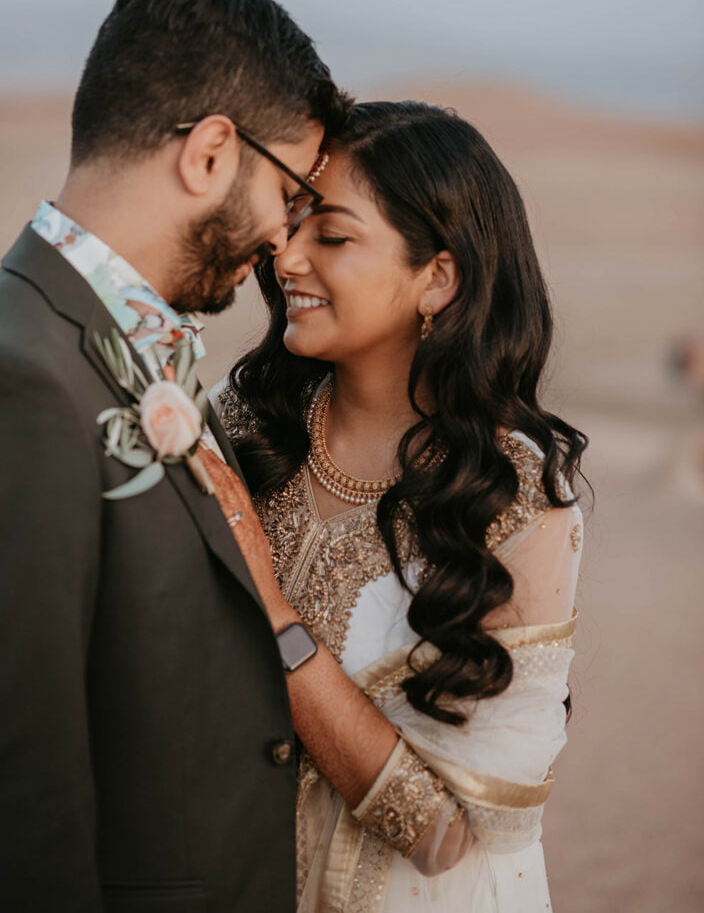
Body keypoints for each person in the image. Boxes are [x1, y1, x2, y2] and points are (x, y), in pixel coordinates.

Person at [0, 0, 350, 912]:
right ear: (209, 153)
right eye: (289, 195)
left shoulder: (126, 344)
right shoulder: (12, 377)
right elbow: (10, 806)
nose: (285, 247)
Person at [213, 101, 587, 911]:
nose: (287, 256)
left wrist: (276, 621)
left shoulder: (516, 501)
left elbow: (449, 834)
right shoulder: (244, 423)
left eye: (333, 236)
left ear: (438, 277)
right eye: (293, 223)